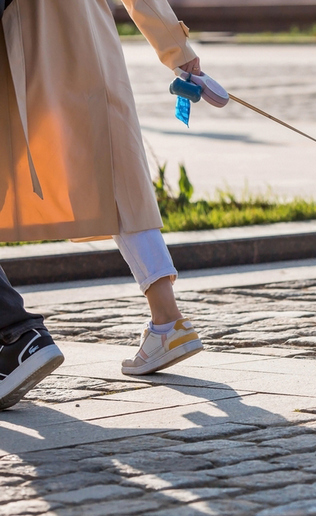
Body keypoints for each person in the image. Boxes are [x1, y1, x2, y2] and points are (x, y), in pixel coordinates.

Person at [0, 0, 206, 410]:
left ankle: (16, 336)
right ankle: (167, 319)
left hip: (24, 39)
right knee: (117, 175)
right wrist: (177, 50)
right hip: (87, 34)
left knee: (111, 175)